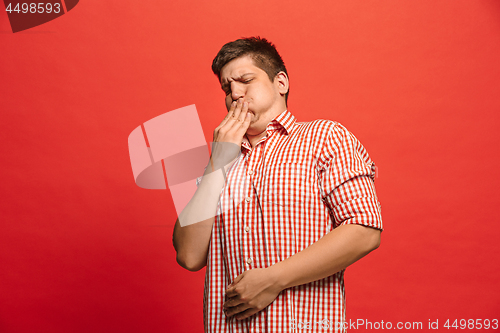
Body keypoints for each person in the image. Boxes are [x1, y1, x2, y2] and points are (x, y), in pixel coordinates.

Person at [172, 37, 383, 333]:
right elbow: (190, 255)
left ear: (280, 82)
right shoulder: (216, 162)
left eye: (245, 80)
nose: (234, 93)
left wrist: (274, 279)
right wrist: (217, 162)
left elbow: (364, 229)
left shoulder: (324, 137)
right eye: (226, 87)